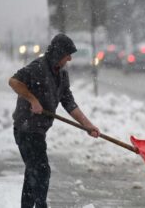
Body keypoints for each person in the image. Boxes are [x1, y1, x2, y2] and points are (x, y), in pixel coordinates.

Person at [9, 33, 100, 208]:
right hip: (26, 129)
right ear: (59, 53)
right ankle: (41, 205)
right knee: (41, 170)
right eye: (68, 54)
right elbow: (14, 82)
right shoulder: (37, 68)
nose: (70, 59)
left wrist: (88, 126)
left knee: (32, 173)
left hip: (38, 130)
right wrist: (33, 100)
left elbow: (70, 104)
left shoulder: (61, 76)